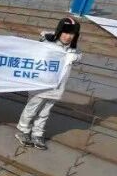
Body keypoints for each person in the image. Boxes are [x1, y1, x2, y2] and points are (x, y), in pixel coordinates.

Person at [15, 17, 81, 150]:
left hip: (57, 88)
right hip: (41, 86)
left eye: (72, 34)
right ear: (59, 32)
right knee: (32, 109)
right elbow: (36, 50)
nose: (68, 37)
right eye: (65, 32)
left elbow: (79, 56)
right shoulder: (47, 45)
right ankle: (23, 130)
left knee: (45, 111)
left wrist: (76, 57)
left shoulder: (72, 50)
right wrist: (46, 36)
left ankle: (37, 134)